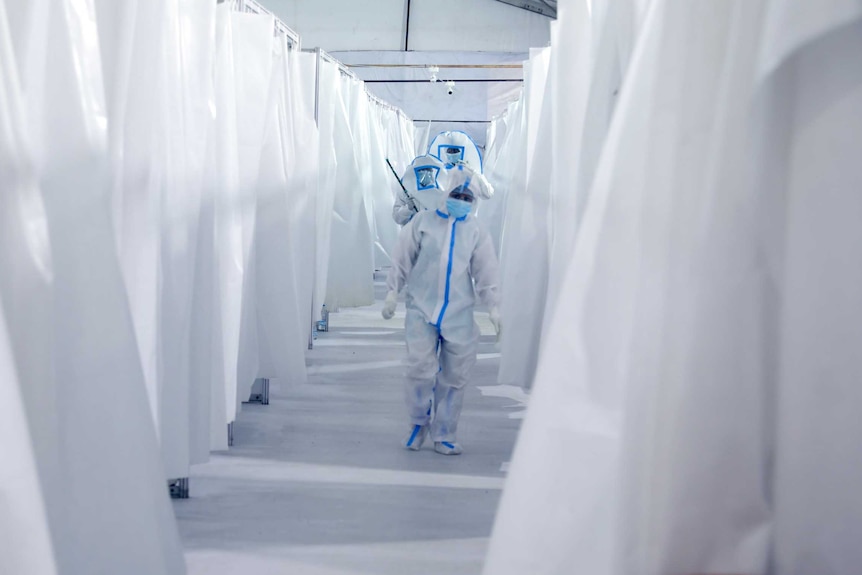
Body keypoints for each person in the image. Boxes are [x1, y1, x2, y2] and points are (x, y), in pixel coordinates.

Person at [382, 166, 501, 455]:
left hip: (459, 314)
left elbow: (486, 273)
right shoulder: (423, 222)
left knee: (455, 375)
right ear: (446, 193)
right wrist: (391, 292)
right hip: (421, 309)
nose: (461, 199)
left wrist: (495, 308)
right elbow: (402, 257)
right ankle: (418, 423)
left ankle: (445, 433)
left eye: (467, 197)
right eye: (456, 194)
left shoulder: (476, 232)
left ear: (474, 202)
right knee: (419, 369)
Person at [392, 154, 448, 226]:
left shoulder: (441, 191)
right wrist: (408, 208)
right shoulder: (406, 191)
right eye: (422, 171)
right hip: (413, 234)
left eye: (429, 170)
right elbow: (397, 218)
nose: (426, 173)